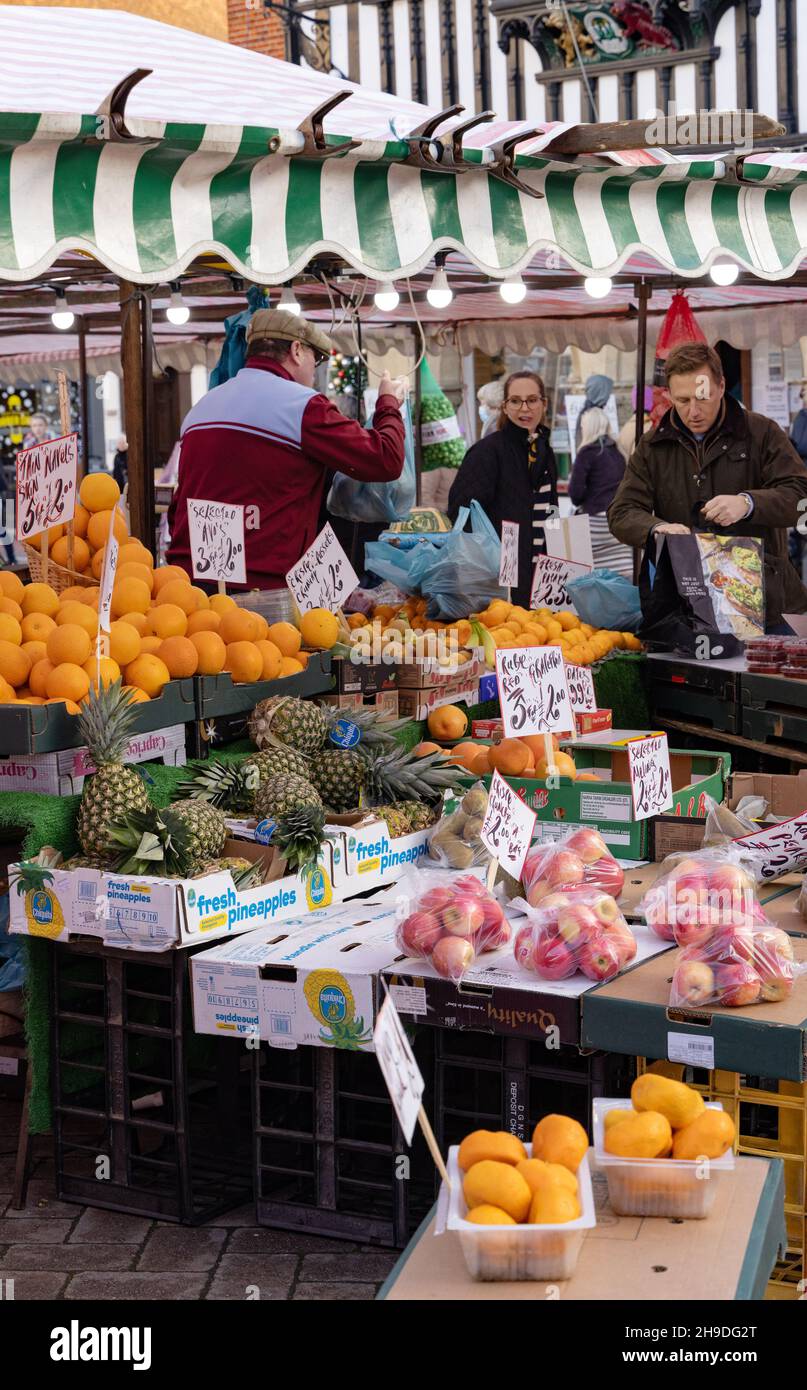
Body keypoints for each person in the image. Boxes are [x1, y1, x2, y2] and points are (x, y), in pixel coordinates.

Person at [167, 309, 406, 590]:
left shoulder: (202, 408)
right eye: (315, 361)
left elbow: (180, 505)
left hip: (187, 582)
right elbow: (386, 458)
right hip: (262, 591)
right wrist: (388, 403)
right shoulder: (303, 406)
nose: (314, 375)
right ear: (296, 350)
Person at [608, 341, 807, 630]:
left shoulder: (762, 432)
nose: (693, 411)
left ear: (722, 385)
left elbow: (800, 496)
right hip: (685, 604)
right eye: (683, 400)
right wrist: (655, 528)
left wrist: (748, 504)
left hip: (767, 603)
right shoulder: (652, 445)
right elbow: (621, 512)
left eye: (703, 398)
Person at [447, 370, 557, 607]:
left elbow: (552, 510)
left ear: (543, 404)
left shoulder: (545, 451)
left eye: (532, 400)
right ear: (505, 407)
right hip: (500, 572)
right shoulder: (487, 452)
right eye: (515, 401)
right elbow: (461, 512)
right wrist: (492, 556)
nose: (524, 408)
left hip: (544, 572)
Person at [568, 407, 632, 577]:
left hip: (594, 525)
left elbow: (575, 494)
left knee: (592, 579)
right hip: (618, 523)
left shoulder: (587, 453)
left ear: (588, 428)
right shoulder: (619, 452)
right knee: (620, 577)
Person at [575, 373, 613, 453]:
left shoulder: (589, 411)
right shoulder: (590, 415)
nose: (609, 396)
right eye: (607, 393)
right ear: (600, 392)